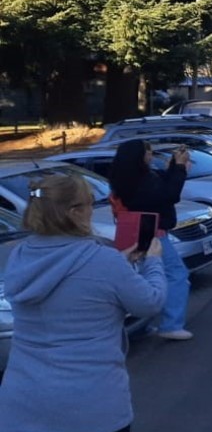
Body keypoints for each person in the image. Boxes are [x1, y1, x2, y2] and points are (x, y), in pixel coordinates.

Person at [0, 174, 166, 432]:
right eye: (90, 202)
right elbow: (150, 302)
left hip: (22, 403)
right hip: (90, 405)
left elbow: (77, 278)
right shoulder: (103, 261)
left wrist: (119, 264)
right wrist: (153, 262)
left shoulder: (20, 255)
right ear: (75, 212)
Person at [108, 139, 194, 341]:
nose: (151, 155)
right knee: (176, 275)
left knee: (143, 278)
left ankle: (142, 324)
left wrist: (175, 165)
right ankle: (171, 324)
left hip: (137, 230)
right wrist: (180, 167)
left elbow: (165, 183)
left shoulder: (128, 178)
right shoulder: (143, 180)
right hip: (151, 232)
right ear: (139, 156)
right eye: (148, 152)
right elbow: (169, 194)